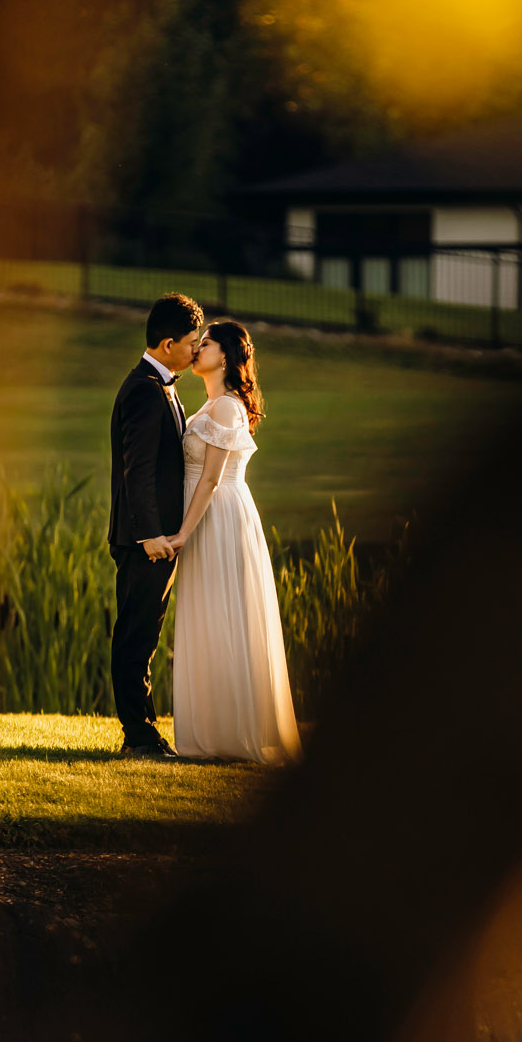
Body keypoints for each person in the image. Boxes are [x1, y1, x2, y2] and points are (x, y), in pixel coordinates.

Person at [166, 322, 301, 765]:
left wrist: (184, 533)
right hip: (204, 513)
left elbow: (210, 478)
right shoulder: (209, 406)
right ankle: (212, 731)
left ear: (224, 356)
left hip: (217, 515)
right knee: (207, 613)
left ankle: (232, 733)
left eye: (204, 344)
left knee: (222, 611)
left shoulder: (226, 407)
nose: (196, 348)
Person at [107, 293, 205, 756]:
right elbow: (137, 469)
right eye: (191, 342)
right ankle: (139, 736)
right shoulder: (145, 389)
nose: (197, 348)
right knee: (136, 635)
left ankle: (143, 732)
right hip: (145, 541)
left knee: (145, 634)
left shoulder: (162, 384)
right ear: (168, 344)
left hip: (158, 539)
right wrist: (150, 536)